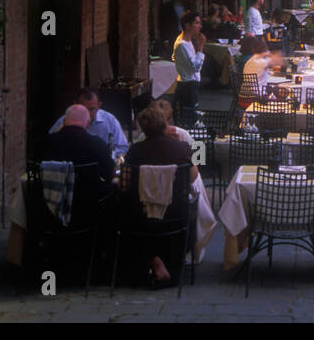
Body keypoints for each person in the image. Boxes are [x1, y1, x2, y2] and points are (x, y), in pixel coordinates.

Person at [124, 104, 198, 287]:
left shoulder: (135, 151)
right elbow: (193, 177)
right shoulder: (181, 148)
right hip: (175, 214)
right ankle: (169, 262)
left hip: (140, 215)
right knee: (193, 211)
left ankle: (151, 259)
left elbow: (125, 183)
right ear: (165, 125)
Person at [42, 104, 117, 199]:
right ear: (88, 123)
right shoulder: (97, 144)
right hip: (89, 201)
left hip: (52, 197)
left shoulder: (47, 142)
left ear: (64, 122)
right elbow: (109, 173)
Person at [50, 87, 129, 157]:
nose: (87, 113)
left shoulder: (109, 120)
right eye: (83, 108)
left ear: (99, 106)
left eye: (91, 109)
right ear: (75, 105)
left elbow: (122, 147)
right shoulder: (65, 120)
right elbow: (49, 144)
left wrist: (105, 154)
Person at [172, 12, 206, 112]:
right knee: (190, 118)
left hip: (190, 84)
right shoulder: (182, 44)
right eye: (197, 23)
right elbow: (196, 67)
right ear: (188, 25)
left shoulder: (187, 41)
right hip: (187, 86)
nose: (200, 26)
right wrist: (201, 47)